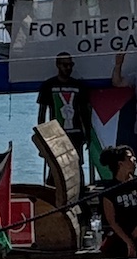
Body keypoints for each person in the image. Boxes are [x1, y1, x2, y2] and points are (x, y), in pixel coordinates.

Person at [36, 53, 95, 181]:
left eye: (70, 65)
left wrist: (88, 136)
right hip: (55, 135)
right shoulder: (48, 85)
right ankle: (52, 195)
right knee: (55, 168)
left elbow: (85, 112)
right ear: (58, 65)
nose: (68, 68)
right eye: (65, 65)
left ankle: (80, 194)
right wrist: (42, 137)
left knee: (76, 167)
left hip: (76, 135)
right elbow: (42, 114)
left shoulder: (79, 86)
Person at [97, 145, 137, 256]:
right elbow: (112, 221)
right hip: (122, 232)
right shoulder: (109, 190)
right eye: (130, 157)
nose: (134, 159)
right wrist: (128, 242)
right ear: (120, 163)